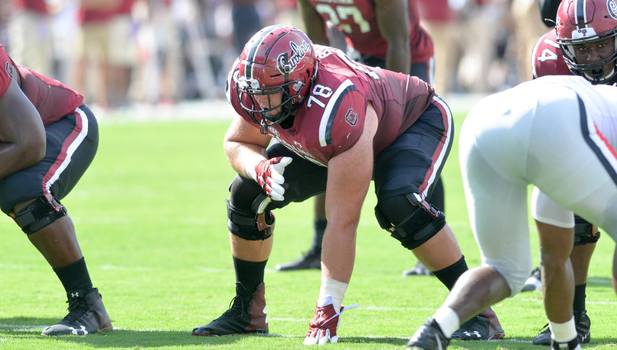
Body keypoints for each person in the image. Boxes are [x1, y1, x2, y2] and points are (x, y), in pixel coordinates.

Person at [191, 24, 504, 343]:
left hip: (411, 123)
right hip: (338, 138)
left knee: (399, 203)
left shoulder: (337, 104)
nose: (258, 104)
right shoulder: (263, 86)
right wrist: (258, 167)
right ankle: (248, 313)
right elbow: (237, 140)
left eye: (268, 94)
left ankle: (480, 312)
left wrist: (328, 308)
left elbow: (342, 221)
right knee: (247, 192)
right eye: (254, 93)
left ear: (299, 84)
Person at [406, 74, 617, 350]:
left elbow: (554, 256)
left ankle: (433, 331)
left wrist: (566, 340)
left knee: (505, 270)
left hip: (486, 119)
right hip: (558, 122)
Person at [278, 0, 445, 279]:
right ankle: (319, 245)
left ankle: (431, 243)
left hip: (406, 58)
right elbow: (315, 49)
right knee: (329, 140)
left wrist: (397, 108)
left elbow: (399, 40)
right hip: (360, 58)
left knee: (413, 148)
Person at [0, 41, 111, 335]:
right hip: (14, 138)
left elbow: (30, 143)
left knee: (24, 192)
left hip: (60, 123)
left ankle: (87, 304)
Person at [524, 0, 616, 344]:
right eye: (582, 49)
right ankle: (573, 316)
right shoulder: (549, 57)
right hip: (586, 131)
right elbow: (556, 134)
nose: (593, 57)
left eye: (602, 44)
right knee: (570, 204)